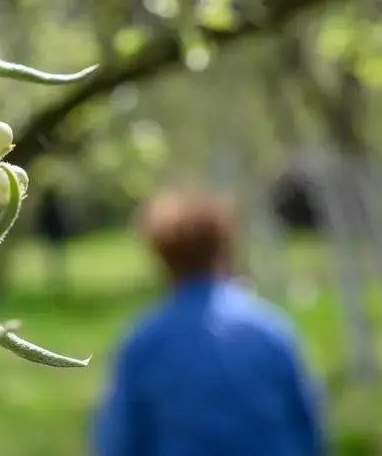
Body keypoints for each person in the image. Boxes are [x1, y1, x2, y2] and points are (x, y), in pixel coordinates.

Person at [92, 191, 325, 456]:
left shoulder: (143, 343)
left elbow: (119, 439)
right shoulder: (269, 330)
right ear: (224, 245)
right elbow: (306, 426)